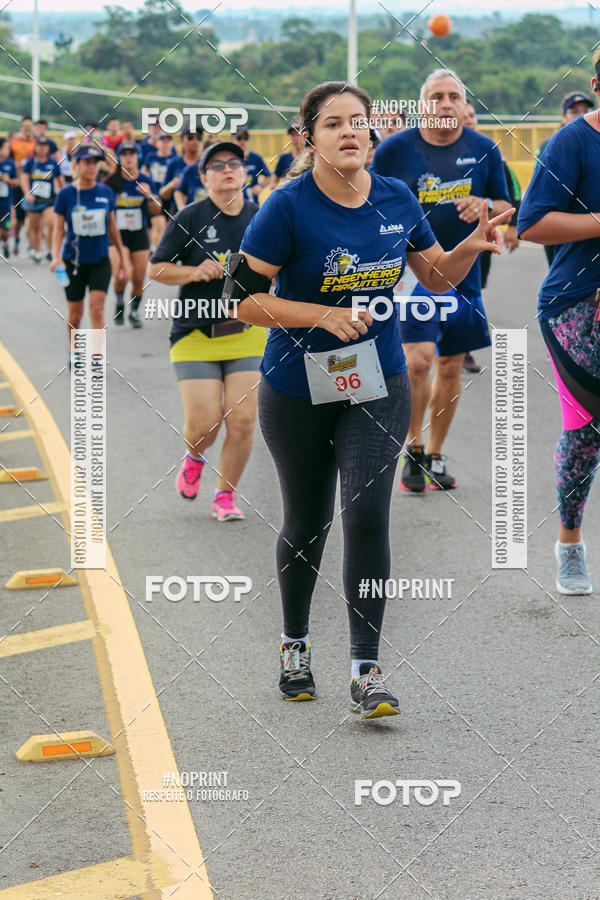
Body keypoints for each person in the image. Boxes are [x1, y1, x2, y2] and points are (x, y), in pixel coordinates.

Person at [228, 81, 512, 714]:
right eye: (334, 124)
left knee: (368, 515)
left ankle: (367, 669)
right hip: (297, 386)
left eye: (358, 122)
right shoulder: (287, 206)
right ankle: (295, 645)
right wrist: (320, 317)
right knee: (308, 521)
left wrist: (472, 242)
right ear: (308, 139)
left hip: (375, 381)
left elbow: (434, 275)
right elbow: (241, 300)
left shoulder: (395, 195)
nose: (350, 132)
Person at [371, 68, 511, 492]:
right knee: (417, 362)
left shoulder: (484, 149)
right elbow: (370, 200)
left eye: (453, 96)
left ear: (464, 105)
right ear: (422, 105)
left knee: (450, 365)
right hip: (414, 274)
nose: (445, 104)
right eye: (436, 96)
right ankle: (412, 448)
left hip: (465, 276)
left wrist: (484, 202)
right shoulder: (395, 150)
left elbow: (506, 204)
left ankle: (435, 451)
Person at [148, 141, 266, 521]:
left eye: (234, 163)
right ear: (204, 177)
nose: (227, 169)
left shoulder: (260, 216)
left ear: (245, 173)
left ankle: (225, 496)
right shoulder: (190, 217)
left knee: (244, 419)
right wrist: (194, 272)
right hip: (195, 333)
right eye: (217, 165)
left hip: (247, 329)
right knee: (205, 424)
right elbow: (156, 268)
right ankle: (195, 455)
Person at [517, 58, 600, 595]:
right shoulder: (572, 143)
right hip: (577, 304)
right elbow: (532, 222)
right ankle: (569, 542)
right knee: (587, 431)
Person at [51, 143, 129, 368]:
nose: (92, 167)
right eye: (87, 162)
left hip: (100, 260)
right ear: (76, 165)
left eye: (95, 163)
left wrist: (122, 259)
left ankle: (96, 356)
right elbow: (58, 229)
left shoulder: (105, 192)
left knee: (97, 309)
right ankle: (74, 351)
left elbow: (113, 228)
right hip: (73, 262)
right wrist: (56, 257)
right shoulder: (66, 194)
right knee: (75, 314)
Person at [462, 100, 521, 374]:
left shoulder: (489, 152)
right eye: (465, 115)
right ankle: (454, 349)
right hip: (438, 245)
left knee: (472, 294)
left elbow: (512, 192)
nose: (469, 119)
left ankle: (461, 348)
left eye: (473, 115)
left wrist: (513, 226)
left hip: (480, 242)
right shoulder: (428, 154)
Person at [104, 141, 161, 327]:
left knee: (138, 278)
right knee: (122, 275)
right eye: (125, 154)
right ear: (120, 158)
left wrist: (149, 195)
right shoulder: (112, 182)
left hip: (138, 234)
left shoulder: (145, 180)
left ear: (138, 157)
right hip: (117, 235)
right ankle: (120, 302)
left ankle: (134, 311)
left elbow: (156, 210)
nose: (128, 157)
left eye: (132, 154)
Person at [536, 91, 595, 267]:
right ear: (563, 117)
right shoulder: (551, 145)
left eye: (586, 109)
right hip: (561, 228)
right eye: (574, 111)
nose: (581, 114)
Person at [21, 137, 63, 262]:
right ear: (36, 147)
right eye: (40, 145)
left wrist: (62, 191)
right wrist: (27, 193)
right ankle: (37, 250)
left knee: (50, 223)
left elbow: (59, 179)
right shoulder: (30, 163)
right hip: (34, 200)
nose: (42, 148)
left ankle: (50, 250)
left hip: (49, 199)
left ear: (48, 148)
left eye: (45, 145)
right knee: (35, 227)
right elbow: (24, 179)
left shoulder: (53, 163)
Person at [142, 132, 176, 247]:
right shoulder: (151, 157)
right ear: (157, 143)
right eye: (163, 141)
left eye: (168, 141)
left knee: (168, 225)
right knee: (158, 222)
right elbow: (144, 173)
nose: (165, 144)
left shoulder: (175, 159)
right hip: (154, 194)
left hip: (170, 197)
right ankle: (154, 250)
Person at [160, 126, 202, 216]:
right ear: (182, 141)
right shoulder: (174, 163)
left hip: (200, 211)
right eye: (190, 137)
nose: (195, 141)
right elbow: (163, 193)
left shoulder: (205, 164)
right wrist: (173, 184)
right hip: (177, 212)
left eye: (199, 138)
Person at [9, 116, 36, 254]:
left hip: (34, 184)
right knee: (19, 219)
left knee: (32, 216)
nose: (27, 130)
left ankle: (32, 246)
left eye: (30, 127)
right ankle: (17, 238)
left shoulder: (39, 144)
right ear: (21, 128)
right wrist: (16, 165)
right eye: (25, 127)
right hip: (18, 185)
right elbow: (6, 161)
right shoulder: (14, 144)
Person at [231, 127, 271, 201]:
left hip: (252, 203)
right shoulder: (228, 159)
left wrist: (260, 186)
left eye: (246, 138)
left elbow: (269, 177)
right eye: (239, 138)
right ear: (232, 140)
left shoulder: (256, 158)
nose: (243, 141)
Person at [0, 138, 18, 258]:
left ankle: (5, 243)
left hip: (6, 202)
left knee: (6, 229)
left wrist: (7, 180)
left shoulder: (10, 163)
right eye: (6, 147)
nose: (8, 150)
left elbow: (17, 182)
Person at [272, 123, 303, 187]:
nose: (296, 138)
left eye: (298, 134)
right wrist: (284, 183)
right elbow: (273, 184)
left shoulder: (312, 158)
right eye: (293, 135)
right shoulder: (283, 158)